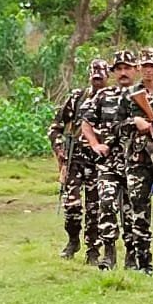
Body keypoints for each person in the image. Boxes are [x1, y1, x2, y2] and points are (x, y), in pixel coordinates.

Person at [80, 50, 137, 270]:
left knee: (132, 212)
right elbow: (86, 122)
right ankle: (109, 253)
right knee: (106, 203)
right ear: (113, 72)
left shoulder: (143, 94)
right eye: (119, 69)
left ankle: (132, 257)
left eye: (127, 68)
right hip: (108, 164)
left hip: (136, 164)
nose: (123, 73)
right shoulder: (104, 96)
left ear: (135, 70)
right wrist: (95, 144)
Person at [119, 47, 153, 275]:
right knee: (139, 212)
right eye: (145, 66)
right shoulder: (129, 94)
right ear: (139, 68)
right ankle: (143, 264)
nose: (149, 70)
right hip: (138, 160)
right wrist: (135, 122)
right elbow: (115, 127)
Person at [50, 59, 109, 263]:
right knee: (72, 205)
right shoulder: (77, 97)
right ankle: (73, 240)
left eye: (101, 77)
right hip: (75, 158)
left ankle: (93, 250)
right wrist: (59, 150)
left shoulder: (112, 99)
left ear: (107, 77)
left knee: (95, 208)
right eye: (94, 77)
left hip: (98, 160)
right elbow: (55, 126)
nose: (97, 81)